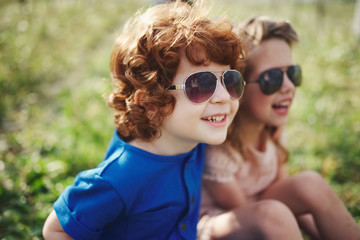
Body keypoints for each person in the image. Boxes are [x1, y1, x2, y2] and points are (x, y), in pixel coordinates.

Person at [42, 1, 247, 239]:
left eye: (229, 79)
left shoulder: (192, 137)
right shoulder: (121, 177)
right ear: (150, 103)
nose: (223, 97)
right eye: (201, 85)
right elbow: (55, 229)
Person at [198, 16, 360, 240]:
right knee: (274, 215)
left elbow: (284, 189)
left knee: (310, 184)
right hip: (221, 223)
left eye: (292, 74)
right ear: (237, 87)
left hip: (267, 209)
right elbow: (256, 215)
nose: (288, 86)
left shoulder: (272, 129)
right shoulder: (220, 150)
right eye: (271, 78)